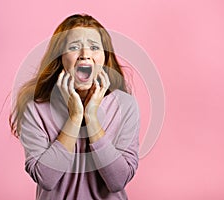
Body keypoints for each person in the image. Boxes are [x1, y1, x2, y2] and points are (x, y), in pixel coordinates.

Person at [9, 14, 140, 200]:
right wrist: (75, 117)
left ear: (105, 58)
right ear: (60, 57)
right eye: (74, 47)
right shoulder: (36, 108)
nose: (85, 54)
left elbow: (117, 181)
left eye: (94, 47)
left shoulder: (126, 105)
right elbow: (46, 178)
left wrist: (92, 118)